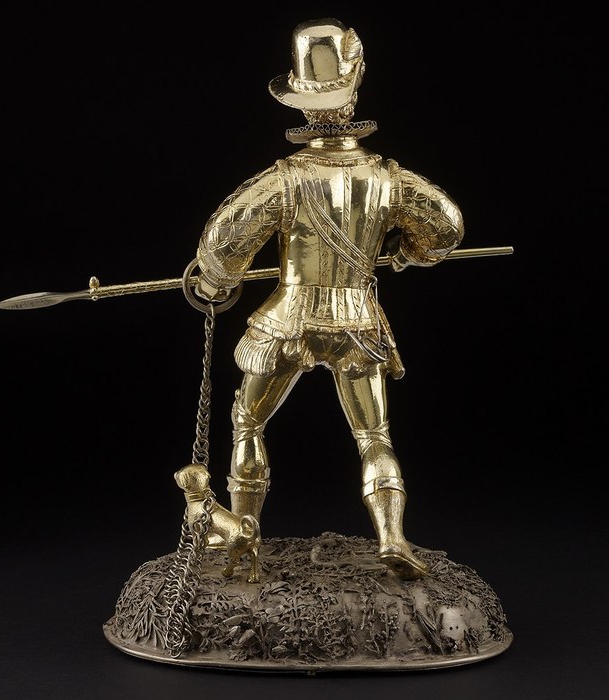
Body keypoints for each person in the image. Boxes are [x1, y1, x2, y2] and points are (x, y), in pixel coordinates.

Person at [193, 18, 464, 579]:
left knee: (248, 423)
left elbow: (224, 241)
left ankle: (245, 543)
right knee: (373, 435)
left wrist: (215, 282)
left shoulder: (283, 180)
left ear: (300, 100)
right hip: (358, 323)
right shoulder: (388, 179)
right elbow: (446, 226)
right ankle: (393, 536)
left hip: (287, 322)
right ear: (355, 86)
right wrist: (411, 251)